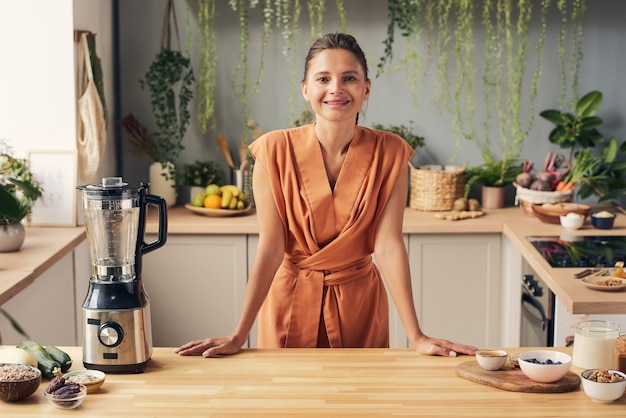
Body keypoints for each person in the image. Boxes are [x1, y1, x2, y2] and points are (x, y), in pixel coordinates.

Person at [175, 32, 478, 358]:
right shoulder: (273, 151)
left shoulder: (391, 154)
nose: (336, 88)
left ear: (366, 89)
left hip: (359, 306)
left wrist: (416, 335)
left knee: (361, 403)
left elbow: (388, 247)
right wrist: (238, 335)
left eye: (349, 78)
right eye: (323, 78)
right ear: (306, 90)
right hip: (289, 303)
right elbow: (271, 247)